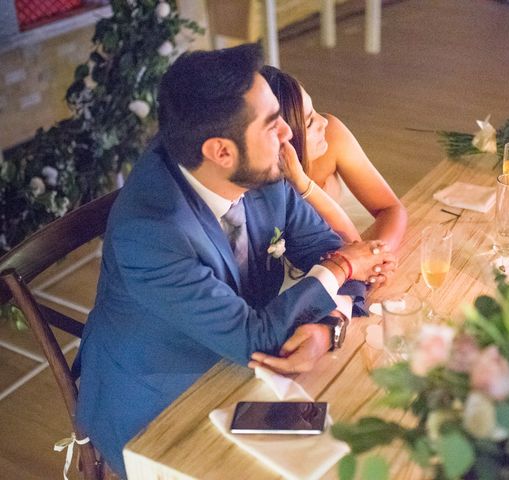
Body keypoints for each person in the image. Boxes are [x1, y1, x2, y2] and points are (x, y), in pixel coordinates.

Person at [74, 44, 395, 477]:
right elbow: (257, 334)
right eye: (271, 124)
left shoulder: (257, 166)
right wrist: (340, 270)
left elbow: (327, 246)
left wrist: (328, 325)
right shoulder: (152, 231)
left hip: (242, 363)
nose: (287, 134)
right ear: (220, 151)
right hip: (159, 398)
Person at [261, 66, 407, 251]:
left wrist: (379, 256)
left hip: (362, 236)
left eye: (315, 110)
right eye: (310, 122)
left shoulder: (331, 135)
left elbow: (390, 208)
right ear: (282, 135)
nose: (324, 121)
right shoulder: (262, 185)